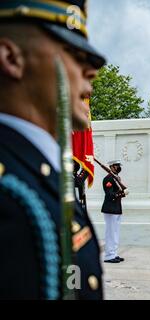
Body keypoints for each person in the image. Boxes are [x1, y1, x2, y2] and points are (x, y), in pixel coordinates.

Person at [0, 0, 105, 300]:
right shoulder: (11, 195)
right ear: (11, 58)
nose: (93, 70)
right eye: (73, 53)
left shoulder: (36, 171)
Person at [102, 160, 126, 263]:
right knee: (111, 233)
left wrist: (122, 192)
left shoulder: (116, 178)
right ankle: (109, 255)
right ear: (111, 167)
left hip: (116, 208)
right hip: (110, 208)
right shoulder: (108, 179)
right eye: (116, 166)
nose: (118, 167)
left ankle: (114, 253)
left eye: (118, 166)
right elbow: (110, 195)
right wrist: (121, 193)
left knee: (115, 232)